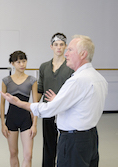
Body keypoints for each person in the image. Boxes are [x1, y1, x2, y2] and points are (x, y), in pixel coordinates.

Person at [1, 35, 108, 167]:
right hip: (90, 137)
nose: (66, 53)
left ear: (83, 54)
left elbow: (49, 109)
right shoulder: (98, 78)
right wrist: (59, 100)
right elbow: (81, 104)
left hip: (73, 140)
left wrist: (19, 103)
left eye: (70, 50)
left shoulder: (77, 81)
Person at [37, 33, 74, 167]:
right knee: (48, 144)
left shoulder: (70, 67)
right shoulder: (44, 67)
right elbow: (39, 89)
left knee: (65, 144)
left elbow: (73, 91)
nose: (59, 47)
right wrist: (35, 110)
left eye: (62, 45)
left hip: (65, 112)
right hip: (48, 111)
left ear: (65, 47)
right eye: (56, 45)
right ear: (51, 47)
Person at [0, 51, 38, 167]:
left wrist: (34, 124)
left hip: (26, 119)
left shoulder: (32, 80)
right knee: (13, 153)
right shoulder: (6, 80)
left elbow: (35, 103)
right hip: (11, 118)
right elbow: (2, 104)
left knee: (28, 155)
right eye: (18, 62)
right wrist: (3, 124)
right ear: (13, 64)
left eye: (24, 61)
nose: (22, 64)